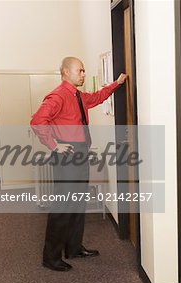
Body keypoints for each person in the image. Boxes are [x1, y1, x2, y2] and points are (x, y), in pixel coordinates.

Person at [31, 57, 127, 271]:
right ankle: (51, 257)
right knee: (62, 207)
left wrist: (117, 84)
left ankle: (73, 248)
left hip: (81, 154)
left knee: (77, 203)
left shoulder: (78, 96)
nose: (83, 74)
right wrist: (54, 146)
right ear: (65, 71)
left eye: (84, 71)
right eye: (80, 71)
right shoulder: (58, 96)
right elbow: (38, 121)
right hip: (67, 156)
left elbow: (98, 97)